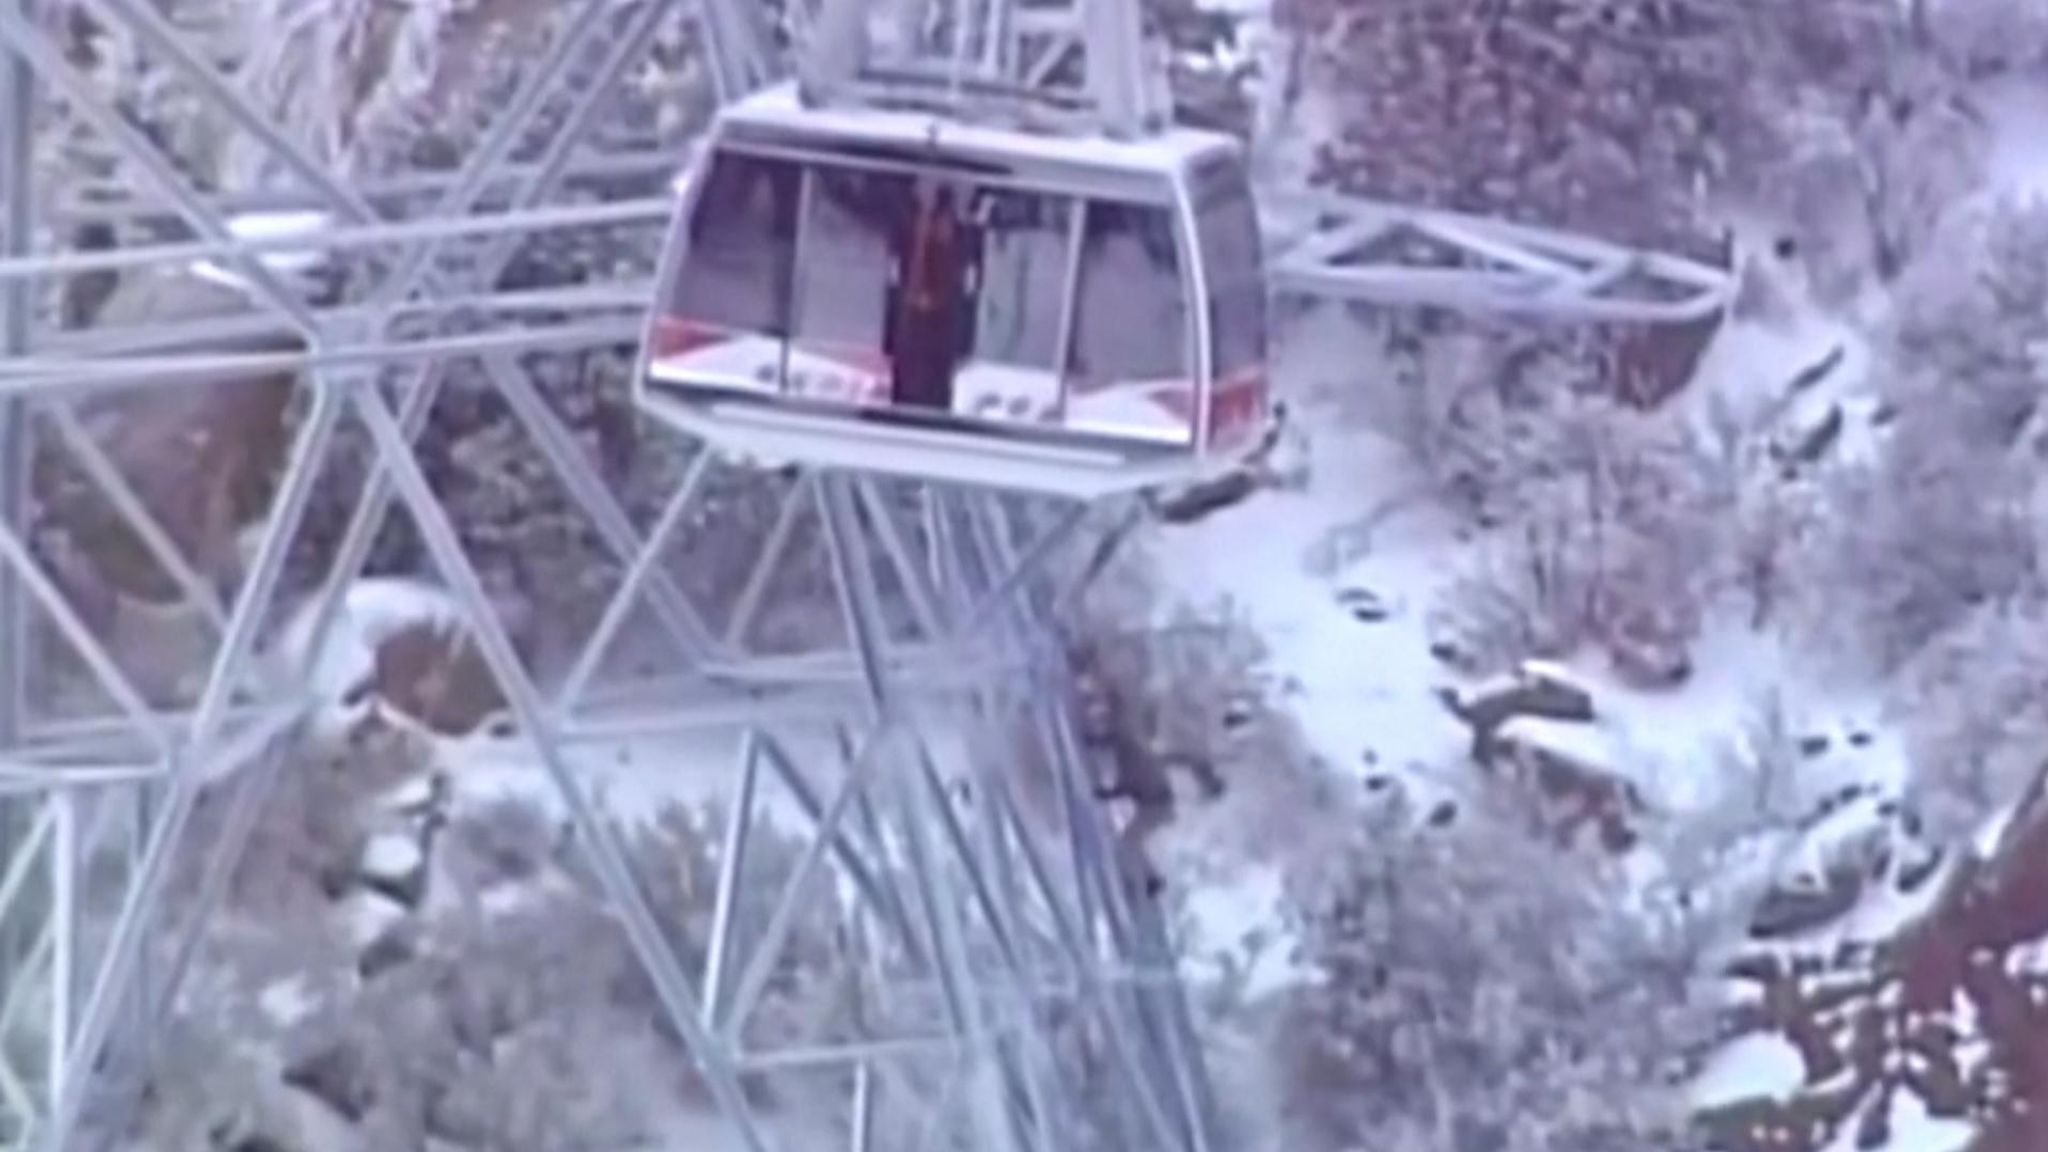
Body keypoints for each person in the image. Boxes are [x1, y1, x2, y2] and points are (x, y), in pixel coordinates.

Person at [887, 183, 972, 415]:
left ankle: (928, 214)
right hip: (930, 323)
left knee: (925, 269)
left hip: (923, 322)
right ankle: (936, 214)